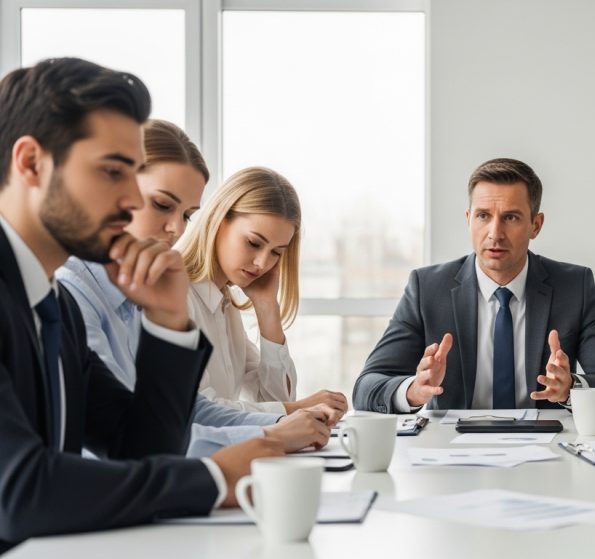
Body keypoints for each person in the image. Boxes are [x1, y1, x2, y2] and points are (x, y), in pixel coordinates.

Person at [0, 58, 281, 551]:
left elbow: (140, 452)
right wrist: (212, 480)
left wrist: (168, 323)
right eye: (112, 172)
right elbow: (19, 492)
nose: (132, 199)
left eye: (134, 176)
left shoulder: (53, 304)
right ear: (30, 163)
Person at [57, 120, 337, 456]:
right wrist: (277, 430)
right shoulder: (85, 294)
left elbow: (189, 411)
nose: (175, 229)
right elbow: (138, 435)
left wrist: (267, 308)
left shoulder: (212, 302)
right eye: (162, 205)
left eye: (187, 214)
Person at [354, 158, 595, 412]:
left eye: (511, 218)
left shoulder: (574, 287)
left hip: (548, 453)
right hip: (452, 455)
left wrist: (571, 388)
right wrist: (414, 391)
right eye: (483, 216)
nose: (495, 233)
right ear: (469, 220)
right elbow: (367, 386)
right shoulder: (427, 288)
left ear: (535, 225)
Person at [178, 166, 349, 416]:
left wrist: (267, 305)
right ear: (219, 221)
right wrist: (299, 408)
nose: (262, 263)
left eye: (276, 252)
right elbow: (198, 411)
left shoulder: (224, 305)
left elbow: (274, 399)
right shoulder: (176, 297)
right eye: (253, 243)